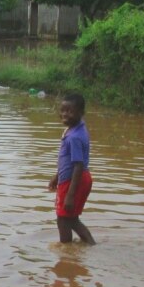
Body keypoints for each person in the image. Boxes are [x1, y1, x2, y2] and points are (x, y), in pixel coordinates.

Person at [47, 93, 96, 245]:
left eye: (70, 111)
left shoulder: (74, 136)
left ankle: (66, 251)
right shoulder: (77, 128)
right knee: (71, 218)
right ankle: (89, 244)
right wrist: (57, 176)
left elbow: (78, 165)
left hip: (74, 180)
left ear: (80, 113)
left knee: (62, 218)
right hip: (76, 178)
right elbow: (69, 161)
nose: (64, 114)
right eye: (62, 110)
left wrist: (70, 194)